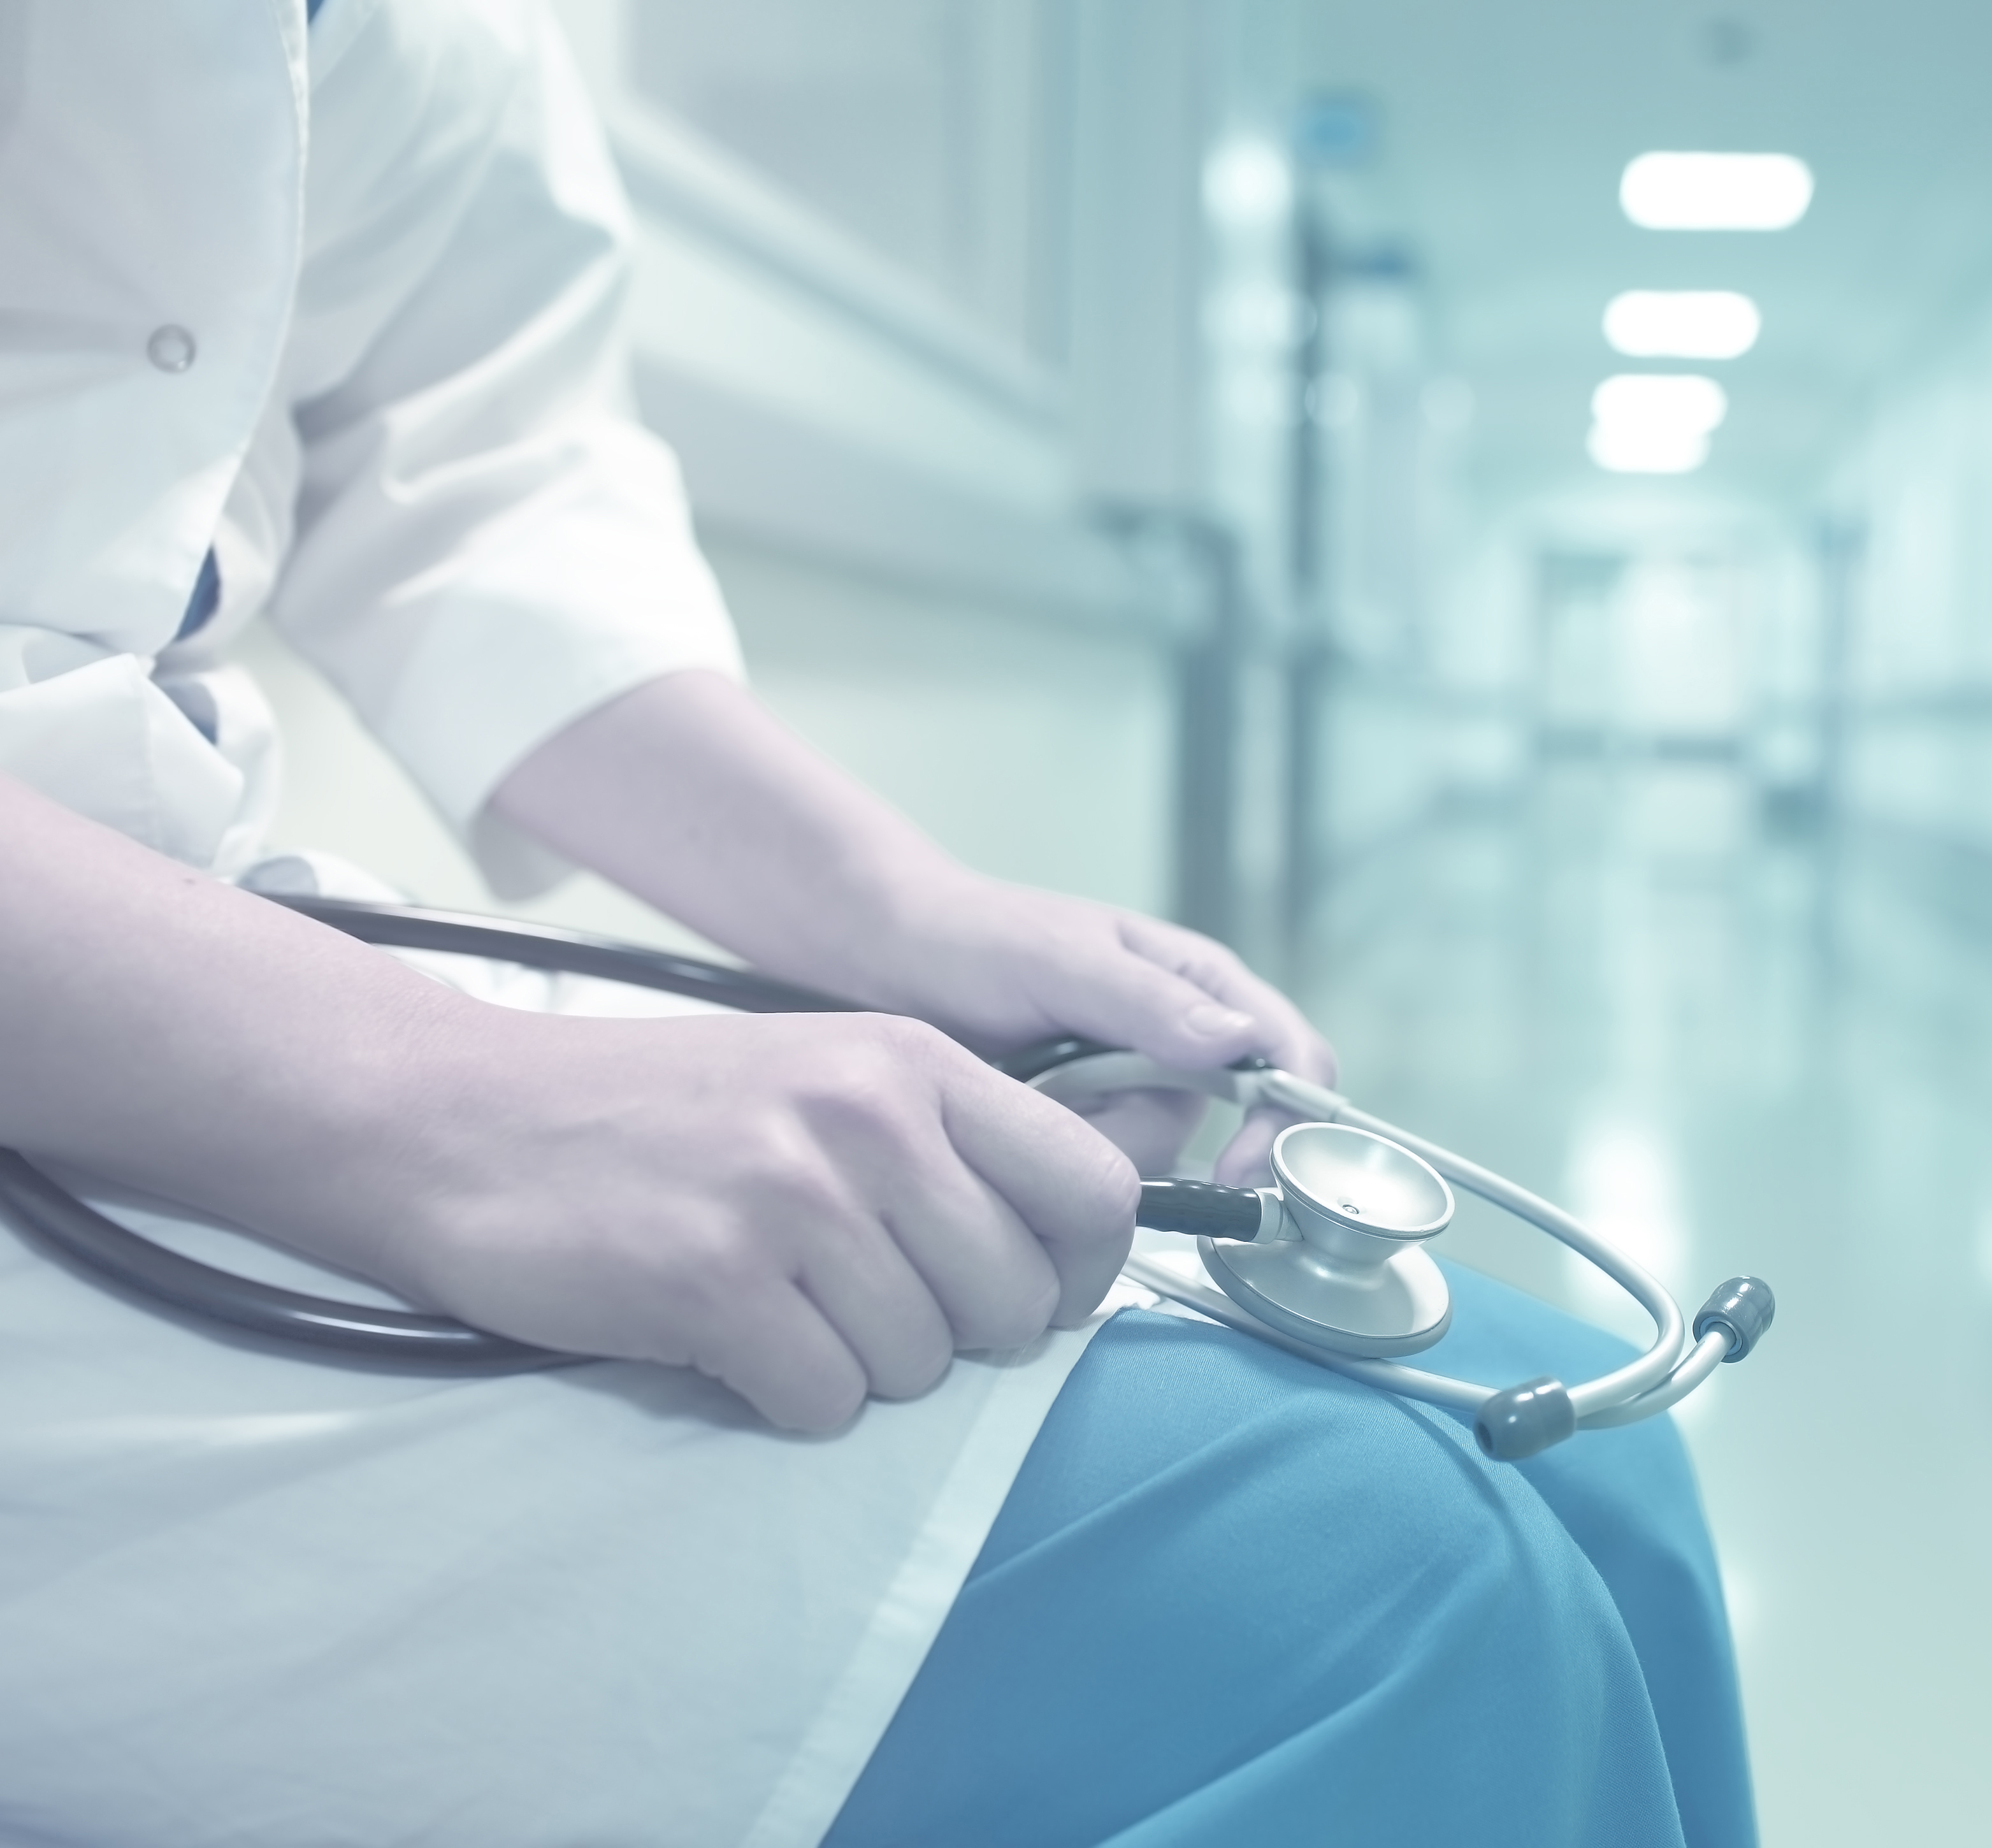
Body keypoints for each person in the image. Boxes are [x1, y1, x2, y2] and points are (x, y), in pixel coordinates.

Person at [0, 4, 1755, 1844]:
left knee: (1603, 1485)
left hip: (159, 910)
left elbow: (467, 456)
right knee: (1388, 1589)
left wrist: (899, 914)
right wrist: (427, 1108)